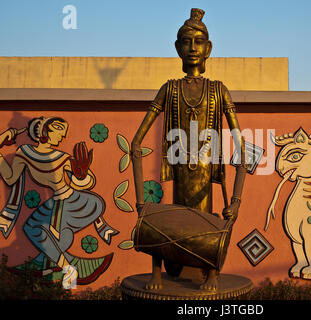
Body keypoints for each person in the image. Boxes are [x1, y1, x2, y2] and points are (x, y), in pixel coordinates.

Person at [131, 8, 247, 291]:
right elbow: (135, 145)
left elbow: (242, 152)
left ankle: (211, 274)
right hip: (180, 177)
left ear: (208, 48)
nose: (192, 48)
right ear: (177, 48)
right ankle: (157, 272)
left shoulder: (218, 90)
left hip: (206, 181)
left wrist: (235, 201)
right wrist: (139, 202)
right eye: (186, 41)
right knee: (165, 219)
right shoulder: (169, 90)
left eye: (198, 41)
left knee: (207, 226)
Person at [0, 116, 117, 285]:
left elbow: (86, 182)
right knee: (42, 232)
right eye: (59, 133)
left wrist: (82, 174)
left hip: (72, 201)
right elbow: (10, 179)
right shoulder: (24, 153)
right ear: (46, 131)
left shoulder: (62, 157)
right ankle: (63, 271)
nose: (63, 138)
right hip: (55, 204)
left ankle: (61, 269)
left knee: (41, 231)